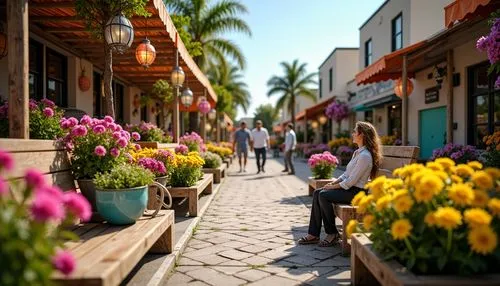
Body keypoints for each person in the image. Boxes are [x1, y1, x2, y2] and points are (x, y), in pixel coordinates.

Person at [298, 121, 382, 247]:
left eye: (355, 131)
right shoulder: (358, 152)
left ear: (362, 135)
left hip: (356, 193)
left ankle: (332, 234)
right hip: (350, 190)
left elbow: (351, 182)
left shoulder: (365, 156)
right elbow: (345, 175)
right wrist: (334, 182)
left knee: (323, 195)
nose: (352, 133)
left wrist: (332, 187)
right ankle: (314, 234)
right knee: (317, 193)